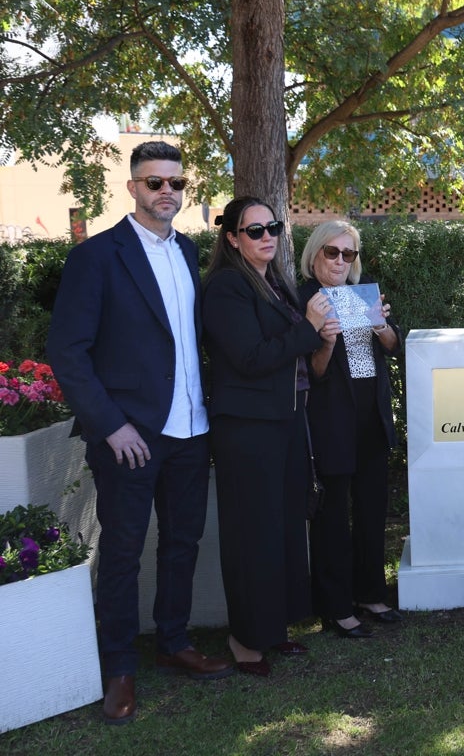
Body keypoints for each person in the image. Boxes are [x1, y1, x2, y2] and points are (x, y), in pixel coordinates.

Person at [46, 141, 232, 725]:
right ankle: (120, 666)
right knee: (123, 552)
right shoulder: (97, 257)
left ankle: (173, 643)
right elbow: (68, 353)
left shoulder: (190, 251)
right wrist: (111, 425)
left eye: (175, 183)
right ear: (132, 188)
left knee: (183, 543)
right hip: (129, 435)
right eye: (154, 183)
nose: (167, 193)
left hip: (190, 429)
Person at [203, 197, 327, 676]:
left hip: (286, 420)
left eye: (272, 226)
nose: (267, 236)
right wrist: (311, 329)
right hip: (247, 429)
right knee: (252, 532)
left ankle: (274, 629)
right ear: (232, 238)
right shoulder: (226, 287)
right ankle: (245, 640)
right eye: (254, 231)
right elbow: (251, 358)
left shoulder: (274, 282)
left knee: (283, 526)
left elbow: (294, 349)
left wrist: (323, 333)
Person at [298, 221, 404, 638]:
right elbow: (314, 374)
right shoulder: (306, 300)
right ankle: (336, 606)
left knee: (372, 509)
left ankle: (370, 593)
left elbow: (394, 344)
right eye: (332, 252)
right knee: (333, 516)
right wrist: (324, 340)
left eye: (349, 254)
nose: (341, 261)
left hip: (370, 417)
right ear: (315, 255)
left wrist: (379, 325)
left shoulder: (363, 295)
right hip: (331, 421)